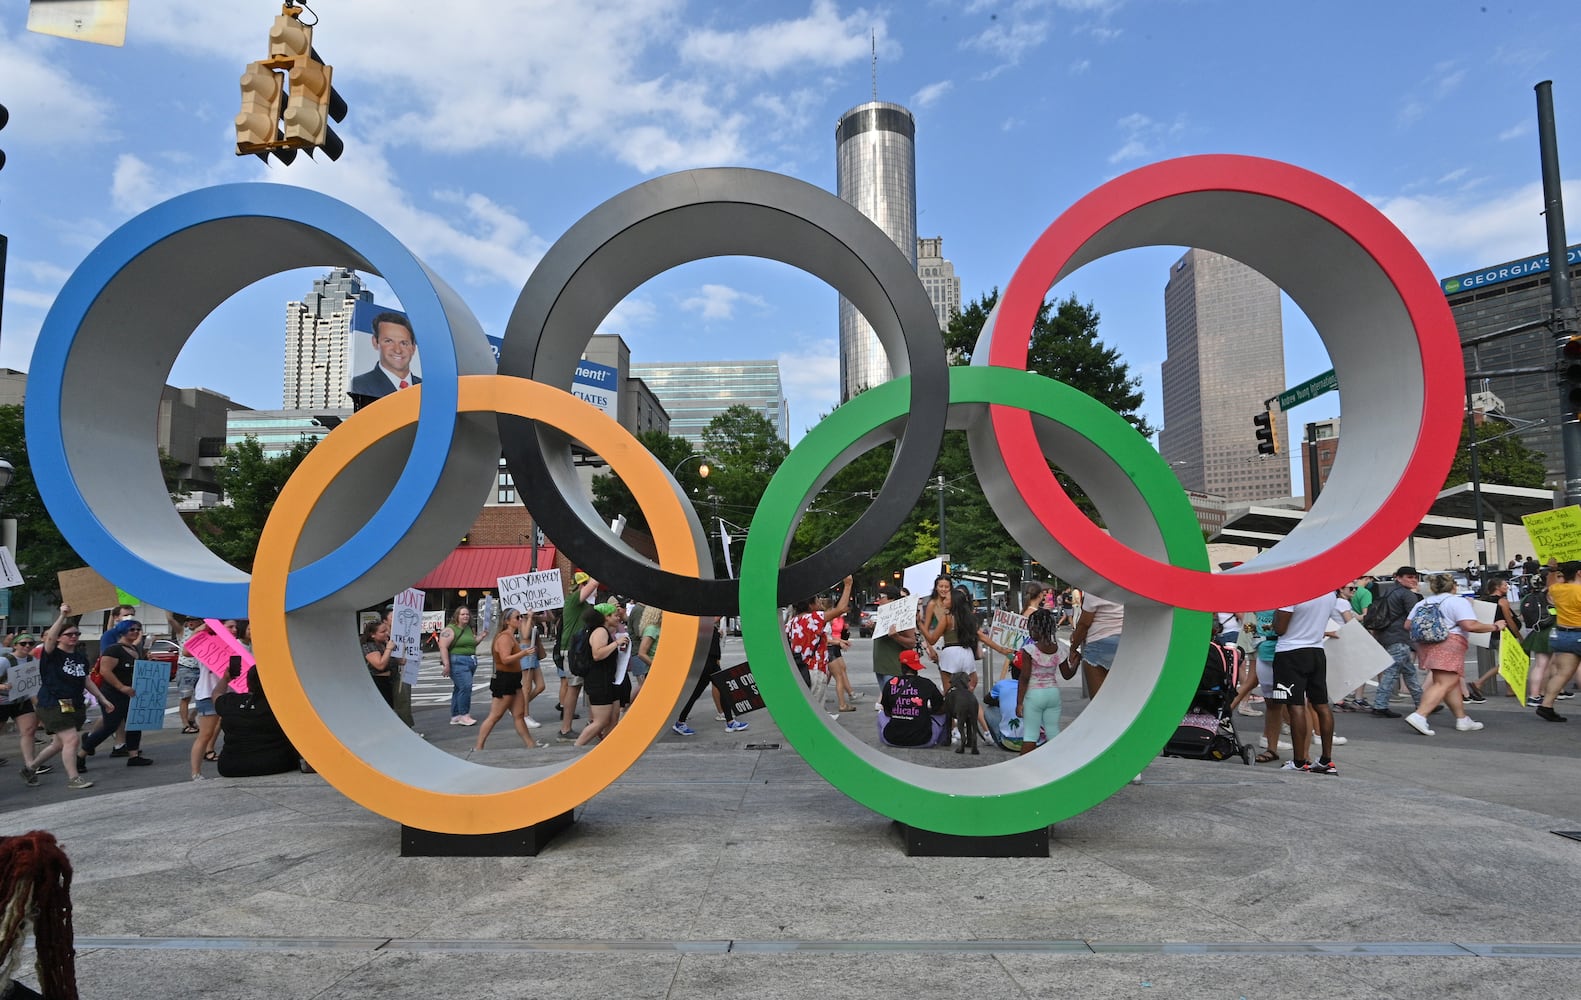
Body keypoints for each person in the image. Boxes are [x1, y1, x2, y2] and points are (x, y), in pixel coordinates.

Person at [1404, 573, 1505, 735]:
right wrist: (1495, 626)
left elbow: (1408, 625)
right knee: (1443, 683)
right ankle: (1420, 715)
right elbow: (1469, 625)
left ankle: (1462, 718)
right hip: (1449, 643)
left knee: (1450, 682)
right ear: (1453, 586)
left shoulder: (1423, 602)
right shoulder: (1457, 601)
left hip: (1427, 644)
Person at [25, 604, 109, 789]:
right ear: (60, 638)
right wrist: (62, 616)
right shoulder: (52, 654)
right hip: (53, 703)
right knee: (71, 739)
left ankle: (30, 767)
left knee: (58, 744)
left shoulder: (80, 656)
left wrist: (102, 699)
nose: (74, 637)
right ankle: (74, 778)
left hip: (75, 704)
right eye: (69, 634)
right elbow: (51, 638)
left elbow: (86, 680)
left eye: (76, 634)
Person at [1270, 592, 1340, 774]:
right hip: (1316, 650)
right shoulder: (1329, 593)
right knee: (1321, 704)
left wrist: (1276, 614)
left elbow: (1280, 629)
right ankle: (1326, 760)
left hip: (1290, 652)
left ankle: (1299, 762)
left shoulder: (1291, 594)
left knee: (1295, 706)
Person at [82, 618, 152, 766]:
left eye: (138, 629)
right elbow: (105, 671)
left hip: (130, 693)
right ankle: (81, 754)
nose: (135, 632)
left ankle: (133, 756)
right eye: (131, 629)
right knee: (110, 726)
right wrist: (121, 687)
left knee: (134, 723)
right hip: (112, 693)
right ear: (122, 630)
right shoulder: (113, 649)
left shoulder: (133, 649)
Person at [473, 609, 541, 751]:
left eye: (521, 617)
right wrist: (524, 653)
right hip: (504, 679)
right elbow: (505, 659)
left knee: (519, 714)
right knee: (495, 716)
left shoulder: (511, 636)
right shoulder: (504, 637)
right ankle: (478, 747)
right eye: (517, 617)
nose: (520, 619)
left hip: (513, 680)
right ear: (507, 621)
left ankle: (531, 744)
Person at [1362, 566, 1425, 718]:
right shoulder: (1407, 595)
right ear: (1399, 577)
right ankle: (1380, 705)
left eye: (1415, 577)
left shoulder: (1388, 591)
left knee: (1409, 671)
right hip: (1400, 636)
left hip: (1386, 634)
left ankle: (1423, 703)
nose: (1414, 580)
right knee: (1391, 672)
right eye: (1409, 577)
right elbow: (1415, 616)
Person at [216, 665, 302, 777]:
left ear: (248, 683)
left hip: (231, 766)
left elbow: (216, 694)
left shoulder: (230, 701)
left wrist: (226, 679)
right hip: (277, 763)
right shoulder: (280, 705)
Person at [1014, 608, 1077, 753]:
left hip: (1034, 694)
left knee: (1031, 734)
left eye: (1030, 628)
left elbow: (1024, 678)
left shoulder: (1029, 650)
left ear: (1035, 629)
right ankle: (1057, 765)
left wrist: (1019, 703)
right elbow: (1067, 675)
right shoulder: (1059, 648)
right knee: (1053, 731)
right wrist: (1075, 663)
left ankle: (1023, 768)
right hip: (1053, 694)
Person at [674, 618, 749, 735]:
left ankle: (730, 722)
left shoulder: (708, 627)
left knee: (703, 693)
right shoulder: (703, 624)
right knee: (708, 692)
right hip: (707, 664)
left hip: (710, 663)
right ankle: (730, 722)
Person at [785, 576, 853, 690]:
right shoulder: (813, 618)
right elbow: (841, 609)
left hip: (798, 669)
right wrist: (848, 585)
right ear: (810, 605)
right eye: (817, 599)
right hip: (814, 669)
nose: (819, 601)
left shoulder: (791, 623)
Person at [574, 604, 628, 748]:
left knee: (613, 717)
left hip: (609, 680)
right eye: (614, 615)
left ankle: (606, 748)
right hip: (599, 681)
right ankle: (577, 746)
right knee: (601, 721)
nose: (618, 617)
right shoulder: (599, 631)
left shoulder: (605, 631)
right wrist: (616, 643)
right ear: (606, 617)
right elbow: (597, 654)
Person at [1535, 561, 1581, 722]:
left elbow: (1550, 583)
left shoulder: (1557, 589)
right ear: (1579, 573)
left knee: (1562, 674)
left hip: (1562, 634)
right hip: (1579, 633)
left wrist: (1552, 570)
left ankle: (1546, 705)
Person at [1466, 576, 1522, 702]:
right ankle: (1479, 682)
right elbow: (1510, 621)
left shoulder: (1484, 601)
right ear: (1497, 587)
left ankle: (1510, 689)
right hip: (1504, 635)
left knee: (1507, 660)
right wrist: (1519, 636)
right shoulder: (1502, 601)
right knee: (1506, 663)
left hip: (1491, 634)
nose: (1507, 587)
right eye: (1504, 585)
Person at [557, 572, 599, 741]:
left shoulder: (585, 606)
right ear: (582, 586)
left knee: (588, 688)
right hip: (573, 651)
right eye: (586, 585)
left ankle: (592, 722)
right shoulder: (573, 600)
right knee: (574, 689)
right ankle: (565, 730)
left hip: (582, 650)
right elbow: (594, 584)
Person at [878, 649, 944, 747]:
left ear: (901, 666)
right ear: (916, 667)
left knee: (881, 713)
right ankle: (943, 741)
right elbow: (940, 707)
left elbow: (887, 710)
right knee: (944, 714)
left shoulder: (891, 683)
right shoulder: (927, 683)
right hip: (924, 741)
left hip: (891, 739)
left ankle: (884, 738)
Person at [348, 311, 421, 401]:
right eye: (389, 341)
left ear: (413, 348)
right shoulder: (360, 385)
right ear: (375, 342)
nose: (397, 350)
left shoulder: (425, 388)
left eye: (403, 343)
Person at [1066, 589, 1124, 698]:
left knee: (1099, 703)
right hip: (1125, 643)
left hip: (1098, 644)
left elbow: (1084, 623)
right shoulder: (1127, 583)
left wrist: (1073, 648)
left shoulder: (1096, 588)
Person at [439, 605, 486, 727]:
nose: (465, 616)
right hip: (457, 661)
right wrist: (446, 664)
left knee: (459, 688)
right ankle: (464, 715)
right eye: (462, 614)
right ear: (457, 616)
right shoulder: (450, 629)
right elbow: (443, 646)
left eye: (467, 614)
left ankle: (456, 716)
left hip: (470, 661)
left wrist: (481, 637)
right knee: (465, 687)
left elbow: (472, 644)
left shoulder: (468, 629)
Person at [870, 589, 916, 706]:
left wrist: (897, 637)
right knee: (887, 700)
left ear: (892, 599)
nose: (878, 600)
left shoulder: (903, 616)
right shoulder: (882, 615)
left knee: (894, 701)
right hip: (880, 666)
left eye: (881, 597)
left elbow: (912, 643)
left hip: (893, 667)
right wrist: (873, 628)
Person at [187, 646, 225, 781]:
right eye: (229, 626)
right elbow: (186, 651)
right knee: (205, 734)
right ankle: (196, 772)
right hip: (207, 694)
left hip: (230, 693)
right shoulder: (207, 643)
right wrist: (201, 628)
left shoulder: (235, 644)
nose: (233, 629)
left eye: (234, 626)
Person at [173, 616, 204, 734]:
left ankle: (192, 717)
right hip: (186, 668)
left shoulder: (205, 633)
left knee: (204, 696)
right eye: (189, 620)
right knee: (185, 697)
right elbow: (171, 620)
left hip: (200, 668)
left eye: (194, 620)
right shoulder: (182, 631)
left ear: (200, 622)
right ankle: (185, 724)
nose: (190, 622)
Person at [361, 618, 399, 707]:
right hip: (378, 682)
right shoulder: (369, 646)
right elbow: (380, 665)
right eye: (382, 632)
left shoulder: (384, 644)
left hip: (391, 680)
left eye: (386, 630)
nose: (386, 633)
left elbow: (391, 660)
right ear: (372, 635)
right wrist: (388, 649)